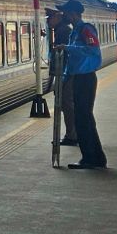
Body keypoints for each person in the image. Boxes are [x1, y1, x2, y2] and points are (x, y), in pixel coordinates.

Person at [55, 0, 107, 169]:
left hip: (86, 77)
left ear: (74, 13)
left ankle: (91, 158)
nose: (64, 15)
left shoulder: (86, 29)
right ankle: (95, 157)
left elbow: (93, 51)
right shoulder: (76, 31)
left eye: (66, 12)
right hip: (78, 76)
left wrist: (68, 48)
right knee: (83, 118)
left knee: (84, 118)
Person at [47, 8, 77, 146]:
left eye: (50, 16)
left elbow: (63, 54)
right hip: (64, 73)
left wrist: (59, 73)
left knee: (66, 104)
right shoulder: (62, 30)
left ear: (58, 17)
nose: (48, 19)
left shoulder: (63, 31)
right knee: (66, 104)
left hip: (65, 74)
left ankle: (72, 135)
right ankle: (71, 134)